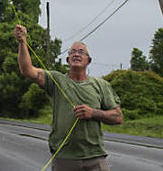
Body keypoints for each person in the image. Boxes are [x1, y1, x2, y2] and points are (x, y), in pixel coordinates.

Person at [14, 24, 123, 171]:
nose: (76, 54)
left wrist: (93, 113)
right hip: (64, 158)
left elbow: (118, 117)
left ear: (88, 60)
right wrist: (22, 42)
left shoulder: (101, 85)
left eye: (81, 52)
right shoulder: (56, 80)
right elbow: (27, 70)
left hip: (95, 157)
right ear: (68, 59)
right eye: (72, 52)